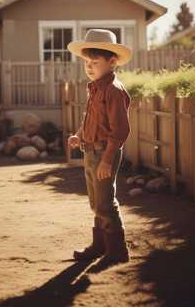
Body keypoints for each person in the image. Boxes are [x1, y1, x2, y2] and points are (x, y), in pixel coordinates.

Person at [67, 28, 132, 266]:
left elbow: (121, 130)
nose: (89, 67)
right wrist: (78, 135)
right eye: (86, 62)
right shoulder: (95, 87)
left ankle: (117, 250)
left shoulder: (114, 90)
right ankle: (100, 245)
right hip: (90, 150)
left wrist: (106, 159)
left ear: (112, 61)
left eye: (95, 62)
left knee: (106, 201)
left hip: (105, 152)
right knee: (96, 201)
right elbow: (92, 119)